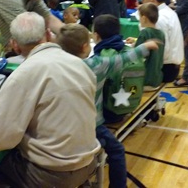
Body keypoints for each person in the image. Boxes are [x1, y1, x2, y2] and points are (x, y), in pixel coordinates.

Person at [0, 12, 100, 187]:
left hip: (52, 174)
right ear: (48, 35)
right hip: (88, 163)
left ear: (15, 45)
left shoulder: (24, 73)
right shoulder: (80, 65)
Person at [57, 22, 159, 188]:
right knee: (117, 150)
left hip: (62, 127)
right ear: (85, 46)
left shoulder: (56, 67)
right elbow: (124, 59)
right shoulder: (97, 65)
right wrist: (146, 46)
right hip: (91, 126)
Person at [143, 0, 184, 82]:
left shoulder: (159, 18)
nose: (141, 0)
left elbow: (162, 48)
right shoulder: (170, 12)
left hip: (165, 67)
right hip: (173, 65)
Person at [125, 3, 165, 91]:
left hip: (145, 81)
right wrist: (135, 41)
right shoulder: (161, 33)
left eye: (139, 17)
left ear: (143, 18)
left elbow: (136, 55)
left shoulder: (145, 32)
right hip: (157, 79)